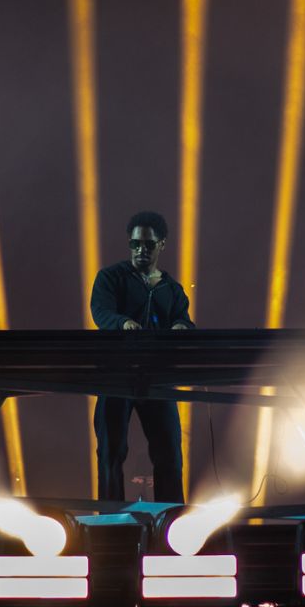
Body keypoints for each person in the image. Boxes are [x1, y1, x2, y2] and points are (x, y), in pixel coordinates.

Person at [90, 210, 194, 502]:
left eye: (148, 245)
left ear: (162, 244)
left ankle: (170, 521)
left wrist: (181, 326)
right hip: (116, 377)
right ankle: (111, 521)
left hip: (156, 379)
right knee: (110, 452)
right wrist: (122, 323)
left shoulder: (172, 289)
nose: (140, 250)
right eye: (135, 244)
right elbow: (101, 312)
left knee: (169, 452)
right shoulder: (110, 278)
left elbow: (184, 319)